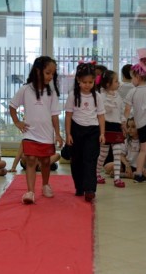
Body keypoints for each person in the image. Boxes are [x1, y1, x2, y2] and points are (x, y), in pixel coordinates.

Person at [9, 56, 63, 204]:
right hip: (30, 133)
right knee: (31, 160)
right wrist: (17, 122)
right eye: (48, 72)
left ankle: (45, 185)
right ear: (38, 71)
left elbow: (54, 115)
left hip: (46, 134)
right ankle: (30, 191)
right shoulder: (25, 89)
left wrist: (57, 134)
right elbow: (12, 106)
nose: (51, 76)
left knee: (45, 161)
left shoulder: (51, 92)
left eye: (53, 73)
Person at [65, 62, 105, 202]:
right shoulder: (72, 95)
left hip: (93, 131)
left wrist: (102, 133)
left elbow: (101, 116)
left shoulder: (97, 96)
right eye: (84, 82)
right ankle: (79, 187)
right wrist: (68, 134)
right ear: (78, 80)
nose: (87, 85)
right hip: (76, 129)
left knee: (90, 159)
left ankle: (90, 189)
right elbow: (68, 115)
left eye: (90, 82)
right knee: (76, 160)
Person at [96, 70, 126, 188]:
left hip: (116, 127)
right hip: (106, 127)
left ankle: (117, 178)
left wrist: (123, 123)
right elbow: (100, 113)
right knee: (103, 154)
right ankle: (97, 173)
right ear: (108, 84)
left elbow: (121, 111)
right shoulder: (101, 96)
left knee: (117, 154)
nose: (118, 83)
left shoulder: (118, 97)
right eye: (116, 81)